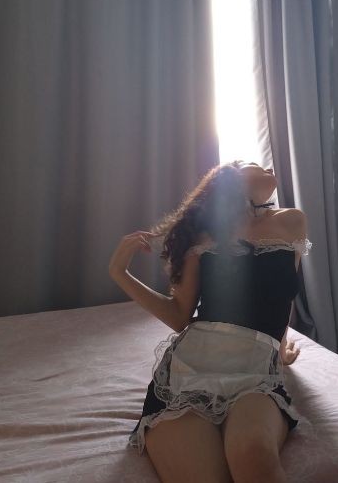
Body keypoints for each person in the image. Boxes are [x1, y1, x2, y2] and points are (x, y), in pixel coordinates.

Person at [108, 159, 313, 483]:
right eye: (253, 163)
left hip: (254, 373)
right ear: (228, 177)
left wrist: (279, 346)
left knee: (253, 455)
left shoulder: (291, 221)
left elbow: (282, 296)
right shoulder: (205, 235)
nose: (268, 168)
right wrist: (120, 274)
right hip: (191, 369)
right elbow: (179, 315)